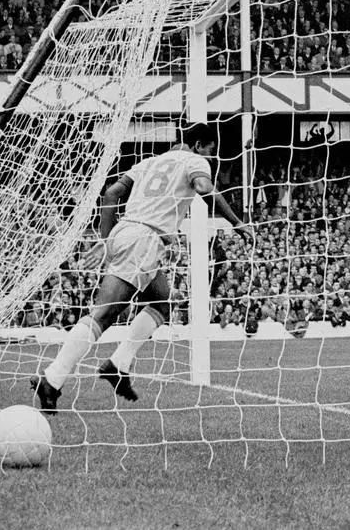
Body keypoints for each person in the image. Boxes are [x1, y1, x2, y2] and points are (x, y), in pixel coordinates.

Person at [33, 123, 249, 413]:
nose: (210, 158)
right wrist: (236, 221)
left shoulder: (147, 162)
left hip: (128, 232)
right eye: (210, 151)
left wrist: (107, 240)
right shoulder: (195, 161)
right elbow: (203, 188)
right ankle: (52, 379)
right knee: (104, 314)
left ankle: (118, 365)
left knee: (161, 302)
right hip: (145, 239)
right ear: (199, 145)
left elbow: (111, 194)